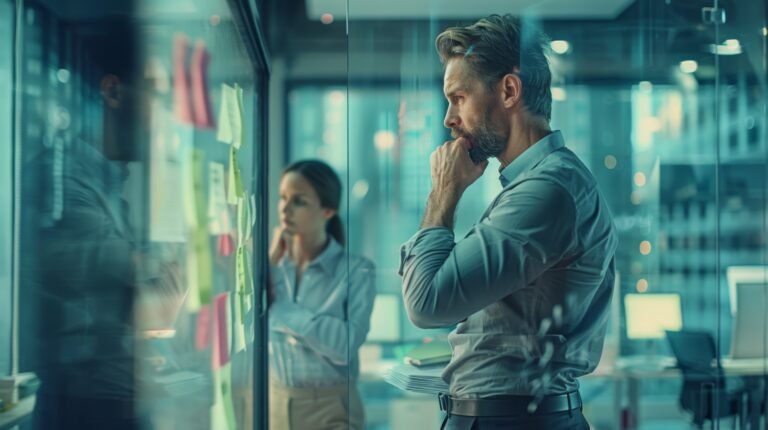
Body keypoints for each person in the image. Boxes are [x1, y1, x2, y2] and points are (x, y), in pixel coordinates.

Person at [398, 14, 618, 430]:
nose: (449, 118)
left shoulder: (547, 192)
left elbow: (427, 302)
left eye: (458, 97)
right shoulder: (536, 185)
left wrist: (444, 194)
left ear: (509, 90)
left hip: (514, 421)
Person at [25, 16, 185, 430]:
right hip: (85, 409)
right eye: (155, 94)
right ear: (113, 91)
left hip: (115, 400)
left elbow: (155, 297)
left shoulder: (109, 184)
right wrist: (157, 273)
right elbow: (146, 302)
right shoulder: (60, 180)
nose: (162, 114)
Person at [268, 160, 376, 430]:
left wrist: (280, 308)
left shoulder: (357, 271)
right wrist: (268, 266)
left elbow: (344, 345)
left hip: (332, 408)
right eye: (283, 198)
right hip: (276, 403)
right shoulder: (272, 266)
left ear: (328, 210)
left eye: (299, 201)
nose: (285, 208)